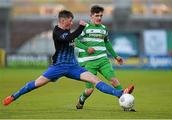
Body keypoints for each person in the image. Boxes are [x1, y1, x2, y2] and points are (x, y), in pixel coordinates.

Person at [2, 10, 134, 106]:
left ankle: (120, 93)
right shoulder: (57, 32)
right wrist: (81, 27)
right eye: (70, 21)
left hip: (73, 67)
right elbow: (70, 38)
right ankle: (13, 96)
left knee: (95, 80)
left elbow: (74, 40)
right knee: (36, 84)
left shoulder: (67, 31)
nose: (72, 23)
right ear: (63, 20)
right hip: (58, 67)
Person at [75, 5, 132, 109]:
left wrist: (116, 56)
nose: (99, 18)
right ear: (91, 16)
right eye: (97, 15)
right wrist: (86, 48)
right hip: (89, 63)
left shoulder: (104, 29)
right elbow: (75, 41)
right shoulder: (85, 28)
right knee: (89, 90)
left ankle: (126, 103)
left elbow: (107, 43)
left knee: (114, 80)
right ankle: (81, 99)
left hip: (103, 61)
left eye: (101, 15)